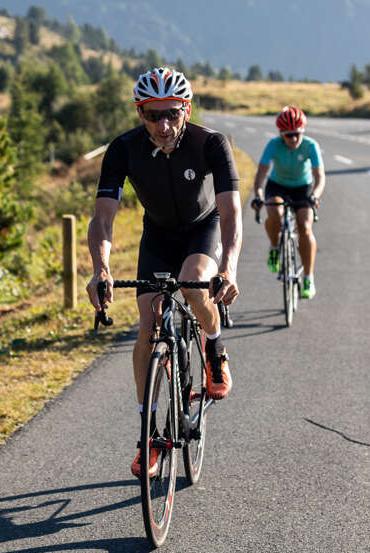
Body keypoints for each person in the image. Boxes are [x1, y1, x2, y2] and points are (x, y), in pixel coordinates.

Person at [86, 67, 242, 477]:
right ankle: (149, 437)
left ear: (186, 110)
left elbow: (230, 212)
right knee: (148, 321)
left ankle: (214, 347)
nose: (163, 124)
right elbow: (103, 218)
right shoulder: (124, 149)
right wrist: (100, 270)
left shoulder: (210, 144)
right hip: (157, 236)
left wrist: (228, 267)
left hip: (202, 230)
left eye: (172, 113)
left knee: (194, 287)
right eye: (153, 115)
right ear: (141, 114)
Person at [250, 106, 325, 299]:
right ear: (281, 134)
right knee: (274, 211)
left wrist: (315, 194)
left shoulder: (310, 146)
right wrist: (258, 194)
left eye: (296, 134)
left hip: (303, 186)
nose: (293, 139)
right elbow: (261, 176)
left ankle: (308, 277)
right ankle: (274, 247)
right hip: (278, 185)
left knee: (305, 225)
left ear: (302, 132)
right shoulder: (273, 145)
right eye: (288, 135)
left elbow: (319, 177)